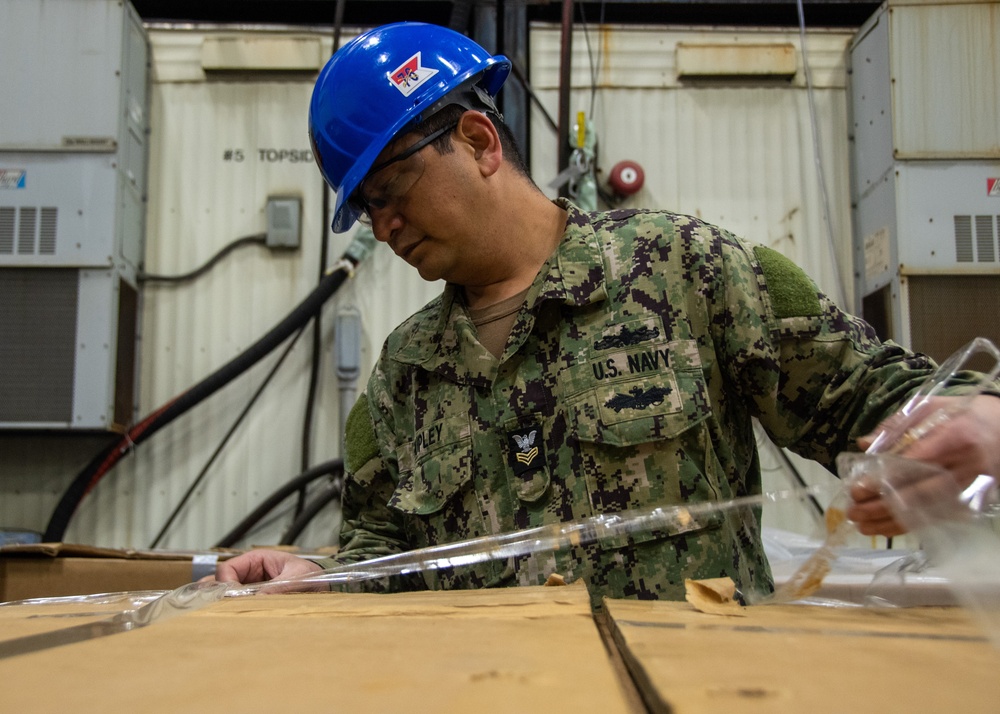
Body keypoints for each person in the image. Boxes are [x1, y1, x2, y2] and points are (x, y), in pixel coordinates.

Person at [212, 22, 1000, 606]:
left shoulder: (689, 272)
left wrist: (979, 423)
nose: (381, 227)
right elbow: (383, 560)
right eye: (365, 211)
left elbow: (872, 399)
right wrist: (318, 574)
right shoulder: (402, 378)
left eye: (388, 193)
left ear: (479, 140)